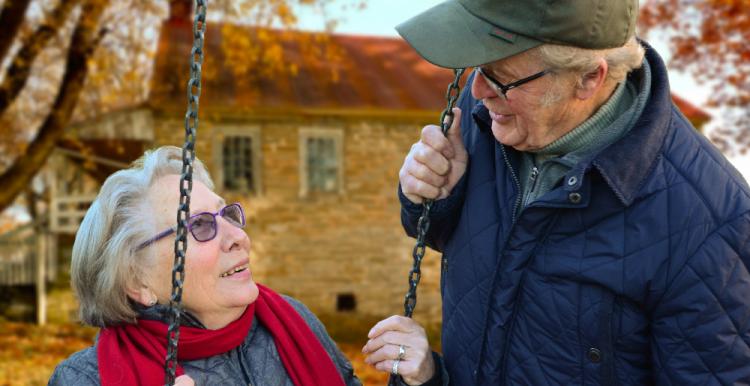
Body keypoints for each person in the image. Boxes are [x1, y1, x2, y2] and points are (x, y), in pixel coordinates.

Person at [393, 0, 750, 385]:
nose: (478, 91)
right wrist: (431, 197)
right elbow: (454, 240)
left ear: (588, 79)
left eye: (500, 77)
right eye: (478, 67)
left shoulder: (710, 226)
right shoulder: (488, 115)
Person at [47, 146, 430, 385]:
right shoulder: (83, 379)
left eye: (226, 214)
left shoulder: (292, 323)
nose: (236, 236)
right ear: (136, 280)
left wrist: (422, 379)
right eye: (199, 226)